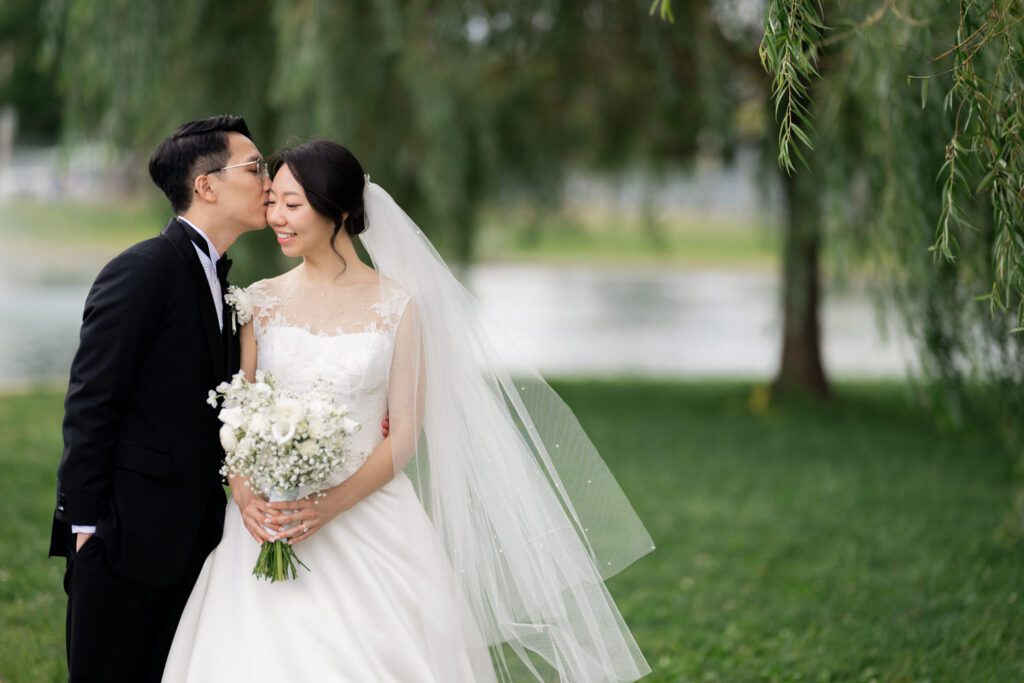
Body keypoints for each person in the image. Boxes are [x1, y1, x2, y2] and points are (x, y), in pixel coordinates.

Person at [162, 140, 654, 682]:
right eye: (272, 201)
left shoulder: (397, 305)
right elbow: (239, 409)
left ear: (339, 210)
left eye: (292, 204)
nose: (275, 217)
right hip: (267, 520)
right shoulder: (260, 300)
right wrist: (246, 491)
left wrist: (327, 506)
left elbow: (403, 436)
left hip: (367, 516)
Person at [46, 115, 271, 681]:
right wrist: (87, 528)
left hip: (195, 541)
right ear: (207, 185)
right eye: (256, 167)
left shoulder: (223, 283)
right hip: (123, 541)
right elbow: (91, 403)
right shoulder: (142, 270)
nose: (270, 180)